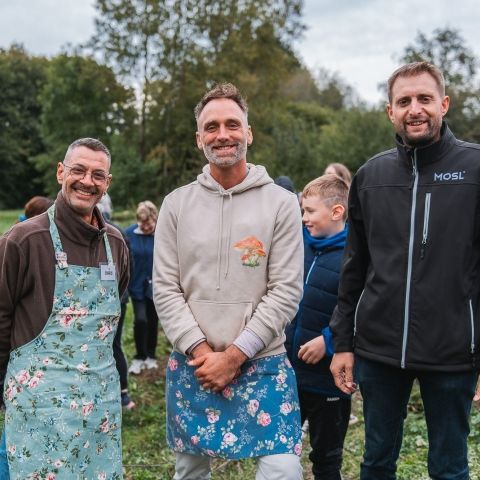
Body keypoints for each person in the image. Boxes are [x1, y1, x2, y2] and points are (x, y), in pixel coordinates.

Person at [330, 61, 480, 480]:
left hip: (453, 352)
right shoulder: (370, 176)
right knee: (376, 462)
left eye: (425, 99)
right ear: (390, 111)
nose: (415, 109)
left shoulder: (474, 169)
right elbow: (354, 268)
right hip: (379, 350)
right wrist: (343, 343)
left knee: (450, 468)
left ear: (444, 104)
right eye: (404, 101)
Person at [153, 83, 304, 480]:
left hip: (262, 361)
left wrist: (234, 356)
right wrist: (204, 353)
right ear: (199, 138)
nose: (223, 134)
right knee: (189, 471)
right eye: (212, 126)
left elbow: (286, 290)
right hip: (194, 362)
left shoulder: (283, 204)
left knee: (283, 469)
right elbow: (165, 288)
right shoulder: (176, 204)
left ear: (248, 133)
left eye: (232, 124)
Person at [0, 137, 129, 479]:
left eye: (98, 175)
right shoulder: (24, 240)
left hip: (98, 407)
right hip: (37, 408)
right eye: (78, 170)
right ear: (61, 172)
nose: (87, 181)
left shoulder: (115, 244)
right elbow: (0, 318)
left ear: (107, 184)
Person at [285, 173, 350, 480]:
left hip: (329, 382)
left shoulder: (355, 256)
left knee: (326, 459)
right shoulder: (297, 247)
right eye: (302, 210)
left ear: (336, 212)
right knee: (282, 454)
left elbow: (364, 311)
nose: (304, 217)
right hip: (290, 375)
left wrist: (329, 341)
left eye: (310, 211)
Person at [97, 197, 136, 409]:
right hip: (102, 301)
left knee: (113, 345)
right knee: (111, 346)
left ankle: (123, 394)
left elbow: (128, 268)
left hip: (115, 300)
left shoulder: (115, 234)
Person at [125, 201, 160, 374]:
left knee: (153, 321)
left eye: (148, 223)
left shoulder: (163, 233)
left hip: (157, 286)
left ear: (155, 218)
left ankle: (151, 356)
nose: (145, 226)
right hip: (137, 285)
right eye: (141, 223)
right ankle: (139, 356)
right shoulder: (130, 233)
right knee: (140, 320)